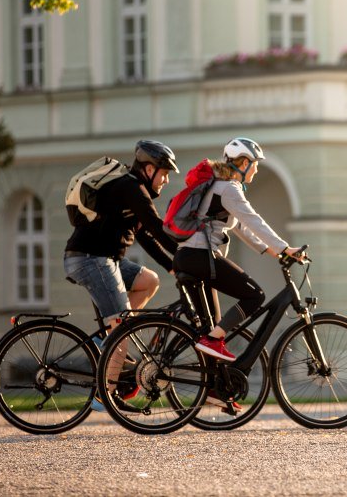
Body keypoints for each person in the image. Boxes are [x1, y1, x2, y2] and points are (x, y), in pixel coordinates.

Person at [64, 139, 179, 403]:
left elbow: (148, 237)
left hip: (105, 260)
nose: (166, 180)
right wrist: (187, 254)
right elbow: (157, 227)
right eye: (164, 173)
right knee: (123, 332)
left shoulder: (130, 190)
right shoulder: (132, 188)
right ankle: (104, 396)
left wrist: (173, 266)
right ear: (149, 170)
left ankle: (109, 340)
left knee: (149, 281)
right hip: (90, 259)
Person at [173, 137, 305, 365]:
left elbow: (242, 227)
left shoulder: (218, 186)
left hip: (188, 257)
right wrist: (285, 247)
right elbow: (254, 221)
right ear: (243, 163)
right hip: (201, 256)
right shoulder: (229, 188)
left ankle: (215, 390)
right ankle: (213, 342)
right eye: (255, 163)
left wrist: (274, 252)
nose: (256, 169)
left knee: (212, 327)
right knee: (254, 295)